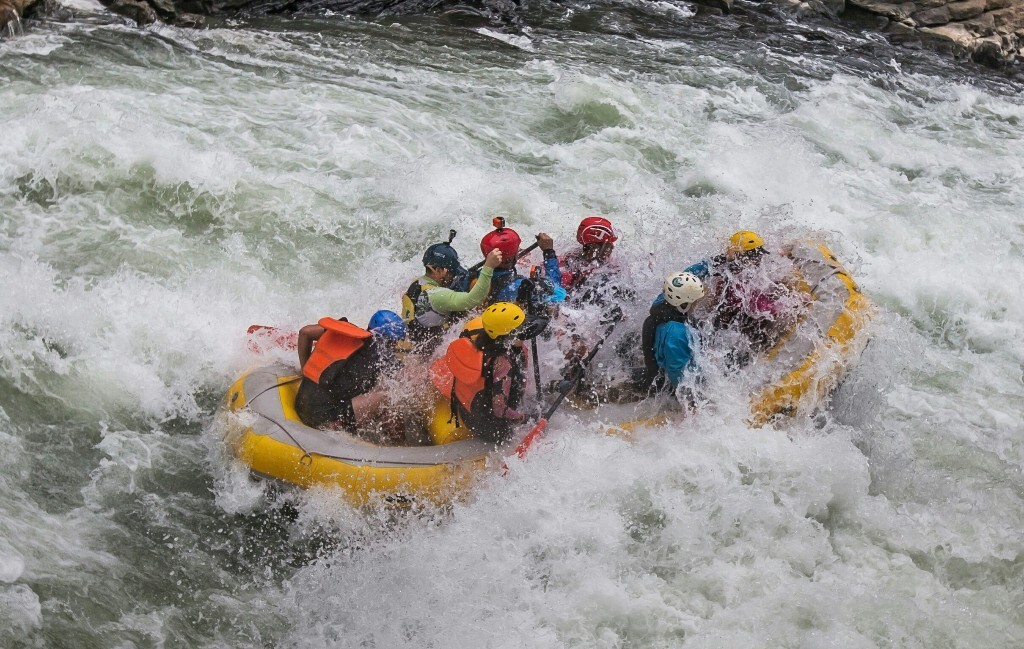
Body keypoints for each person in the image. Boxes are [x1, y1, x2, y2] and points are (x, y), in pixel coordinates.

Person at [430, 302, 531, 445]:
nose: (525, 334)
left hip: (467, 409)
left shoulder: (479, 336)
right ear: (508, 337)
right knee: (512, 428)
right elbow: (499, 409)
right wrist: (525, 418)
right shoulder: (503, 365)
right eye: (521, 331)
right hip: (488, 427)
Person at [293, 310, 406, 434]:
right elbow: (404, 380)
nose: (394, 345)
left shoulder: (345, 333)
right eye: (394, 341)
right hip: (323, 420)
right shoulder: (380, 353)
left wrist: (305, 370)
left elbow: (305, 332)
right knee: (388, 395)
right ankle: (398, 445)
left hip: (301, 404)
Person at [402, 233, 504, 354]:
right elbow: (474, 299)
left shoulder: (417, 283)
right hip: (429, 353)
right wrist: (489, 267)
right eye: (451, 273)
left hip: (416, 341)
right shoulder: (437, 295)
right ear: (439, 270)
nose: (453, 276)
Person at [469, 218, 563, 314]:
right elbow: (557, 292)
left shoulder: (475, 276)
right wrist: (549, 253)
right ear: (510, 259)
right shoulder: (518, 286)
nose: (519, 251)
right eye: (517, 249)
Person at [634, 272, 706, 398]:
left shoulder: (662, 301)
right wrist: (689, 401)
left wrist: (713, 262)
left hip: (657, 363)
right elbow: (676, 371)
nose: (696, 304)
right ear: (684, 305)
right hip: (666, 380)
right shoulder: (677, 333)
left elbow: (680, 280)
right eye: (694, 302)